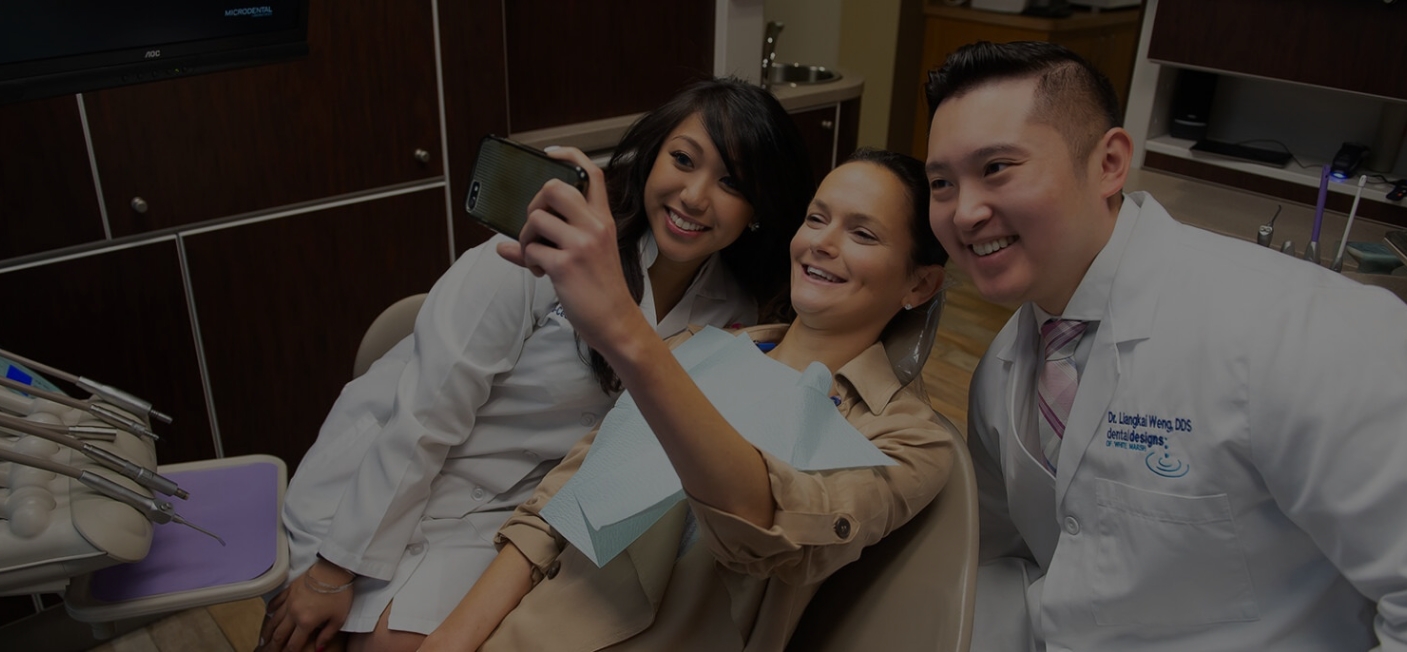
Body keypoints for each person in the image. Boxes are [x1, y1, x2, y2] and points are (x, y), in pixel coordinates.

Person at [259, 77, 816, 652]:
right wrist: (334, 571)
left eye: (731, 182)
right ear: (652, 157)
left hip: (510, 515)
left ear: (756, 209)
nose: (696, 196)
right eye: (683, 159)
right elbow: (425, 415)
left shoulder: (734, 311)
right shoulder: (536, 253)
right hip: (393, 481)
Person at [924, 40, 1407, 651]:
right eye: (941, 183)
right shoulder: (1002, 373)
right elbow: (1007, 563)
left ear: (1109, 163)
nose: (964, 212)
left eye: (996, 168)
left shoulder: (1293, 328)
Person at [417, 147, 957, 651]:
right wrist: (450, 642)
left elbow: (764, 527)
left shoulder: (905, 439)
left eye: (862, 234)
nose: (822, 243)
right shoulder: (697, 348)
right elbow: (554, 513)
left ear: (920, 285)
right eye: (816, 219)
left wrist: (626, 333)